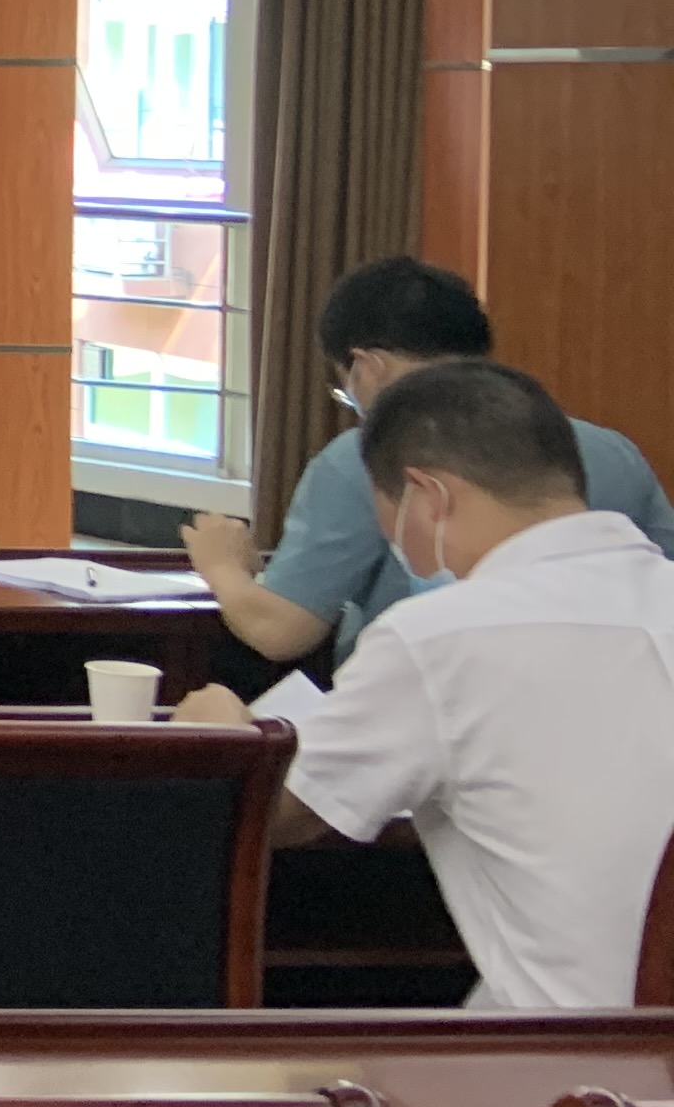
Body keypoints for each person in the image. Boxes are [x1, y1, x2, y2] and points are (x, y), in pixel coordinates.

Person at [174, 360, 674, 1009]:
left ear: (428, 495)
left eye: (385, 514)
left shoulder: (438, 637)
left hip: (580, 1048)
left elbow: (278, 813)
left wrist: (226, 737)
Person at [182, 256, 674, 669]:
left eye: (344, 388)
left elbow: (281, 630)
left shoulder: (364, 459)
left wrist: (222, 566)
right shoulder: (612, 450)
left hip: (416, 699)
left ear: (368, 367)